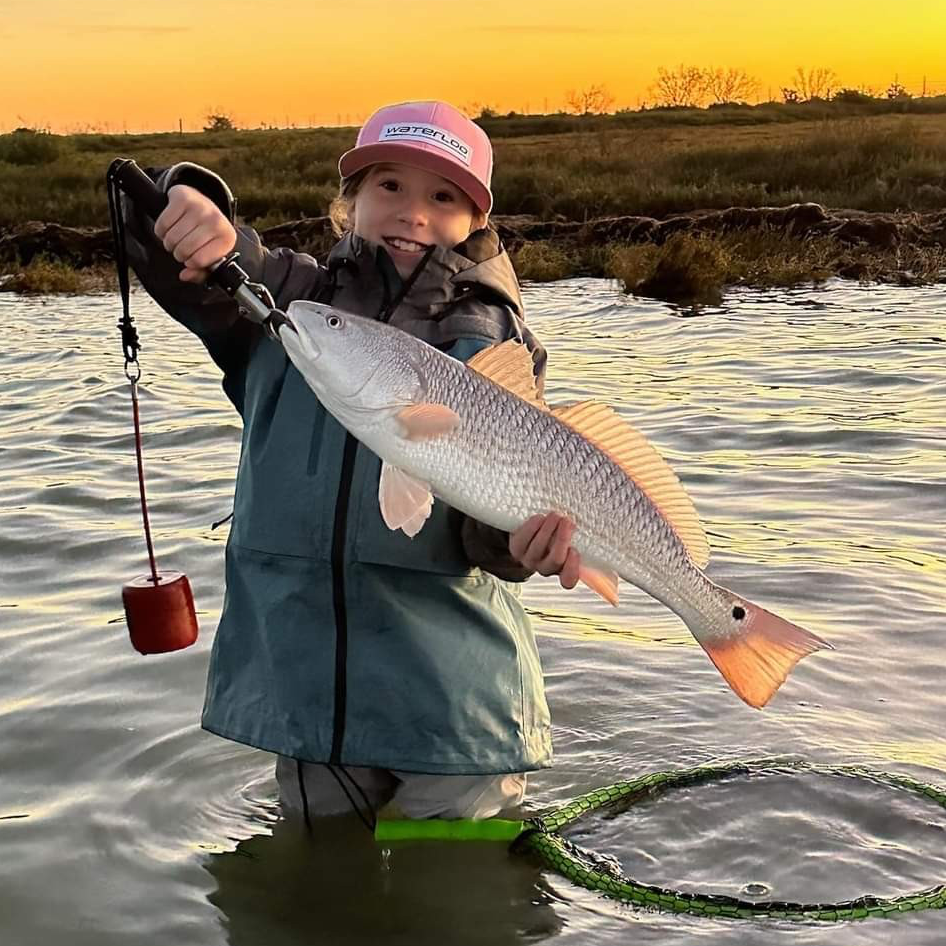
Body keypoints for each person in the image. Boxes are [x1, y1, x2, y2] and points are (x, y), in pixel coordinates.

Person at [124, 100, 580, 824]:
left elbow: (489, 538)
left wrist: (522, 547)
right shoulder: (290, 304)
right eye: (389, 187)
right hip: (308, 707)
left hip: (453, 711)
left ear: (476, 221)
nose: (412, 213)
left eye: (443, 197)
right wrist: (189, 197)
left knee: (454, 907)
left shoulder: (493, 343)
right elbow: (183, 249)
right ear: (351, 202)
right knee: (320, 892)